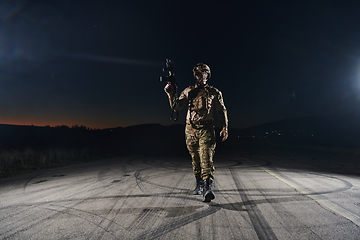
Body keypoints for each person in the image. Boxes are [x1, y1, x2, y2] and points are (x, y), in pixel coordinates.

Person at [164, 63, 228, 202]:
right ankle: (199, 184)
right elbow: (176, 107)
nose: (197, 75)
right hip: (190, 129)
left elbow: (221, 110)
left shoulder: (214, 92)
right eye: (196, 73)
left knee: (206, 156)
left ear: (207, 75)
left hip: (206, 129)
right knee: (195, 158)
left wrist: (225, 127)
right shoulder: (188, 91)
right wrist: (170, 93)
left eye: (201, 72)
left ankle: (207, 188)